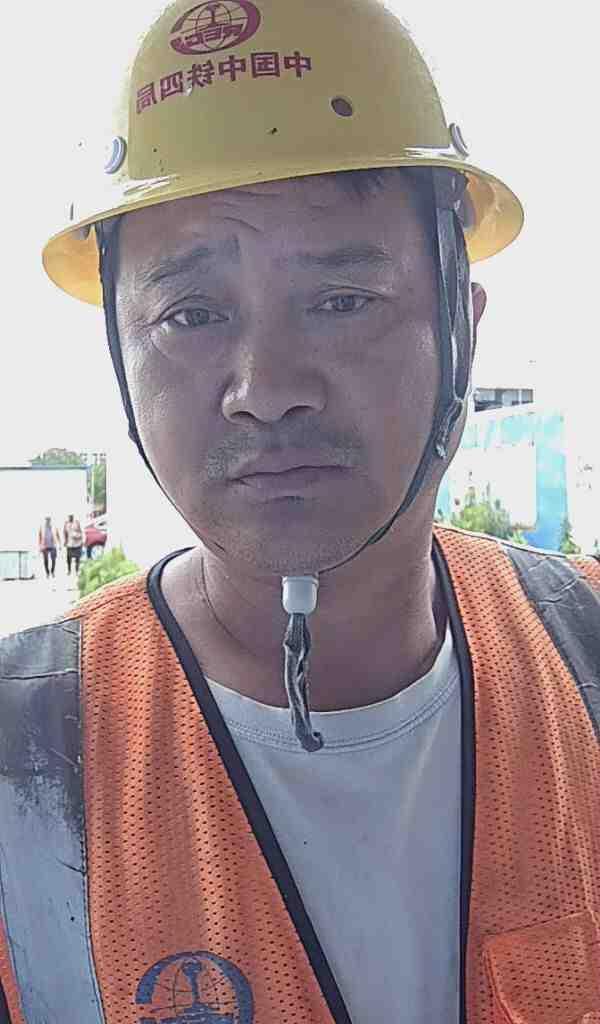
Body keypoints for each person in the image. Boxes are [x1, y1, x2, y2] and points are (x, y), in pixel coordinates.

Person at [1, 1, 599, 1021]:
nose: (266, 388)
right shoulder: (26, 758)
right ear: (120, 359)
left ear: (462, 326)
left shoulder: (584, 651)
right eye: (191, 314)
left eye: (342, 301)